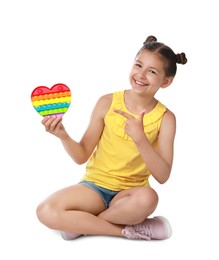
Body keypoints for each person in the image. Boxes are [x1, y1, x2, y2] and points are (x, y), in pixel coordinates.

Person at [36, 35, 187, 241]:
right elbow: (81, 156)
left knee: (149, 198)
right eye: (138, 65)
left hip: (130, 196)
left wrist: (140, 139)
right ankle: (128, 230)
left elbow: (163, 176)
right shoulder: (107, 102)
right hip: (94, 189)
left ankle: (82, 224)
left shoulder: (167, 118)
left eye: (152, 71)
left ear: (166, 82)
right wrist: (62, 134)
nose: (141, 75)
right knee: (45, 211)